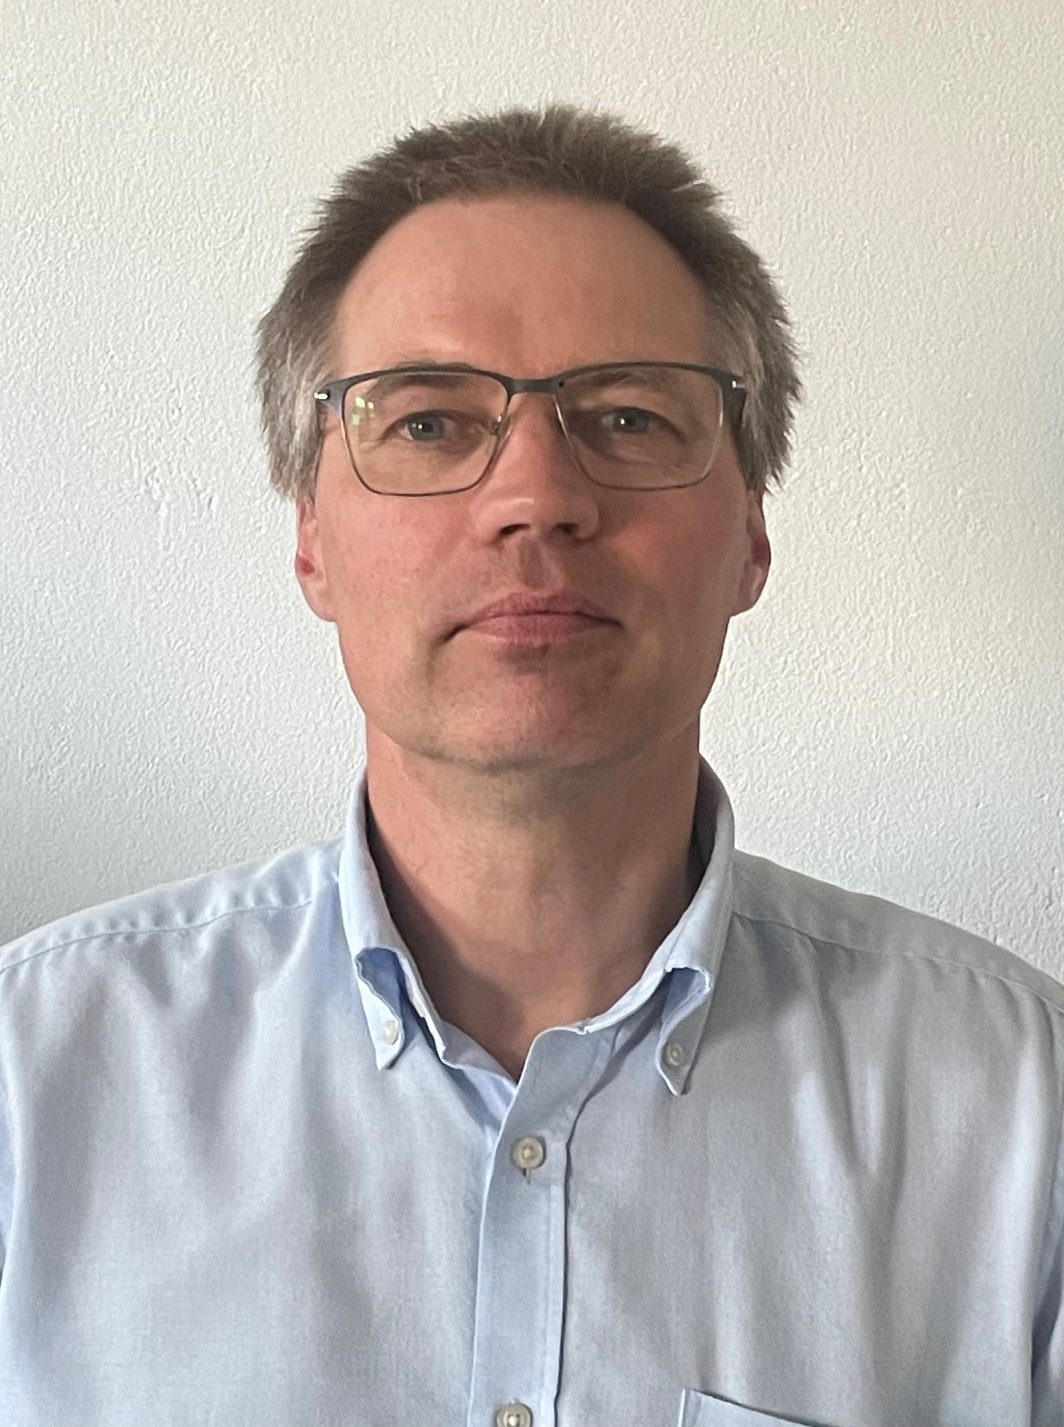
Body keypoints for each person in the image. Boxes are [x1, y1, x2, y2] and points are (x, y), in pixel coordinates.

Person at [0, 104, 1060, 1427]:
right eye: (429, 425)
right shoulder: (32, 1080)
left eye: (627, 418)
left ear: (750, 536)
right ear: (312, 539)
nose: (536, 497)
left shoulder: (1023, 1111)